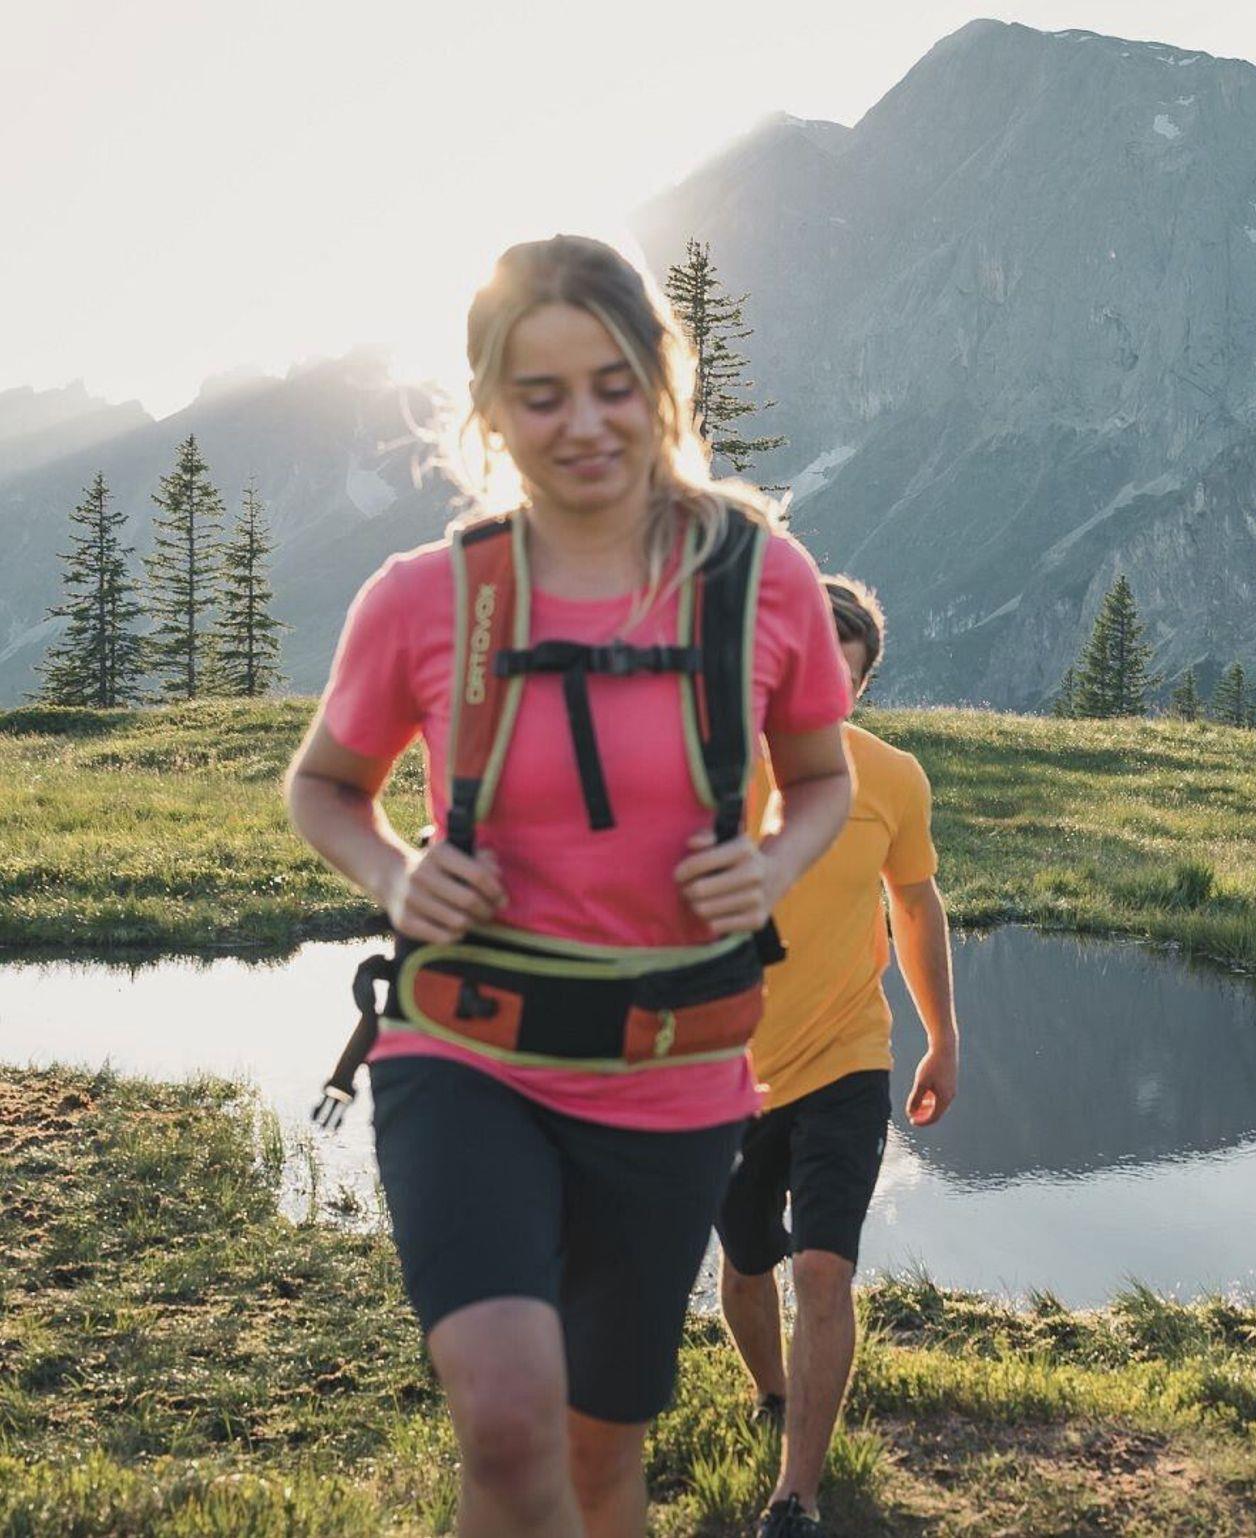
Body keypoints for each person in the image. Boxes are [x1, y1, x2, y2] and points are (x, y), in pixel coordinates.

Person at [285, 234, 852, 1538]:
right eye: (541, 395)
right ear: (489, 411)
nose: (584, 424)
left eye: (611, 385)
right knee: (504, 1423)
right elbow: (325, 785)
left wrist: (770, 860)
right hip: (465, 1051)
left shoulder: (762, 584)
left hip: (672, 1072)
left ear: (662, 383)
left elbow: (820, 779)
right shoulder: (426, 597)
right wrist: (394, 871)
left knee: (601, 1462)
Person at [717, 576, 960, 1538]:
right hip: (724, 1072)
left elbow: (916, 905)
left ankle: (797, 1496)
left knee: (821, 1270)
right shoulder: (708, 768)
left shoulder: (891, 779)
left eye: (840, 679)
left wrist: (943, 1038)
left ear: (860, 689)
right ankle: (777, 1395)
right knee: (746, 1264)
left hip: (847, 1060)